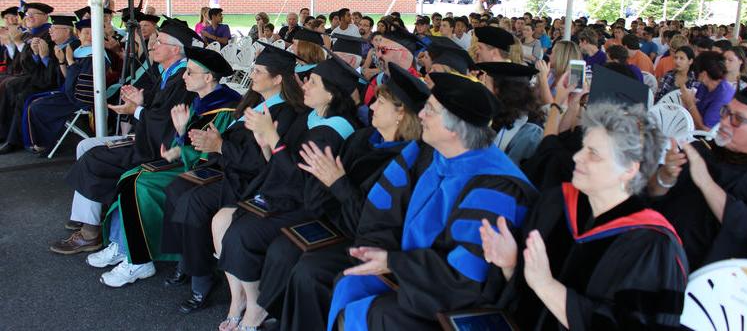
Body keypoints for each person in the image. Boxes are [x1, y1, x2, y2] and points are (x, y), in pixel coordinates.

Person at [327, 72, 538, 330]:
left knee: (379, 312)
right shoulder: (423, 152)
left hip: (450, 301)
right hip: (410, 273)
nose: (421, 115)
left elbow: (468, 277)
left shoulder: (496, 187)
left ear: (453, 129)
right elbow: (382, 210)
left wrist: (394, 263)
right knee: (349, 284)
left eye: (430, 110)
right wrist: (377, 252)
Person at [252, 62, 429, 329]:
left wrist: (337, 183)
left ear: (400, 113)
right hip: (336, 223)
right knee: (284, 249)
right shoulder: (362, 139)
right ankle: (288, 319)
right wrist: (324, 184)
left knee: (310, 271)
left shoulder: (408, 161)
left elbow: (373, 219)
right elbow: (320, 192)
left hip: (369, 239)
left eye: (379, 103)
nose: (370, 107)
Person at [481, 101, 688, 330]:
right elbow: (523, 301)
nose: (577, 157)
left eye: (594, 154)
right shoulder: (556, 204)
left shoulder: (654, 246)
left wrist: (546, 285)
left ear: (629, 169)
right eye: (583, 147)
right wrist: (511, 264)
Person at [215, 57, 360, 331]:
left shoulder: (333, 129)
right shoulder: (312, 116)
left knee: (241, 233)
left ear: (330, 93)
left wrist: (272, 138)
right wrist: (267, 144)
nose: (304, 85)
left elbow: (301, 179)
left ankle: (257, 308)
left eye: (313, 82)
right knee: (228, 222)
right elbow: (281, 163)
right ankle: (242, 301)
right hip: (287, 194)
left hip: (311, 205)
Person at [161, 41, 306, 313]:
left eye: (259, 71)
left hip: (251, 182)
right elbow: (230, 143)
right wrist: (208, 141)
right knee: (177, 188)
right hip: (230, 170)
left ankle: (200, 281)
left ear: (277, 79)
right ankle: (186, 259)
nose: (252, 74)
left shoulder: (285, 113)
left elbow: (264, 163)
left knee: (194, 202)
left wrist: (220, 147)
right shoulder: (254, 101)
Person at [89, 47, 241, 287]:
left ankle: (139, 260)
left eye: (190, 72)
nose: (183, 76)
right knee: (129, 177)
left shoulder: (227, 108)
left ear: (209, 78)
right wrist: (174, 146)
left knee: (137, 183)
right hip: (184, 163)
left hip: (209, 174)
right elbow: (183, 144)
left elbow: (208, 156)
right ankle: (126, 246)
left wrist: (180, 137)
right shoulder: (199, 101)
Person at [50, 18, 197, 254]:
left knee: (94, 156)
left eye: (159, 42)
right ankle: (88, 213)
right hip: (148, 137)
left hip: (157, 148)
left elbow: (167, 123)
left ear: (175, 49)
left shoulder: (182, 79)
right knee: (85, 145)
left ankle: (90, 233)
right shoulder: (167, 72)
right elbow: (158, 106)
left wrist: (137, 110)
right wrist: (141, 100)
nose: (153, 45)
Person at [650, 79, 747, 270]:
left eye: (737, 119)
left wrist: (706, 182)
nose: (724, 122)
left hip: (702, 276)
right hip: (653, 248)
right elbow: (652, 194)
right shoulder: (703, 149)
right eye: (725, 112)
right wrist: (665, 177)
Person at [22, 17, 105, 153]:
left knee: (37, 106)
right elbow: (68, 78)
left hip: (80, 98)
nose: (90, 36)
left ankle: (44, 143)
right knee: (31, 101)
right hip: (69, 91)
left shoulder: (95, 55)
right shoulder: (78, 50)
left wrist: (70, 62)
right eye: (86, 33)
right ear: (78, 34)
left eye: (93, 33)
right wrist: (62, 61)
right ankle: (38, 142)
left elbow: (82, 86)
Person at [0, 4, 66, 154]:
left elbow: (55, 68)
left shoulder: (49, 36)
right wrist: (35, 55)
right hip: (36, 76)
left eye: (34, 14)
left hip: (50, 80)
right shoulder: (32, 34)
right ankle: (5, 133)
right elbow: (26, 63)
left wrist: (43, 57)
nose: (29, 17)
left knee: (21, 94)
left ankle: (14, 139)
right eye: (27, 14)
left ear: (45, 17)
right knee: (9, 85)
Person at [477, 62, 543, 164]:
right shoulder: (498, 114)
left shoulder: (530, 132)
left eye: (486, 83)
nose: (484, 87)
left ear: (498, 90)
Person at [680, 51, 735, 131]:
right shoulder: (704, 85)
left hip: (709, 139)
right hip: (693, 129)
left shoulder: (723, 95)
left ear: (704, 74)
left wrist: (690, 103)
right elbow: (696, 111)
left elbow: (705, 129)